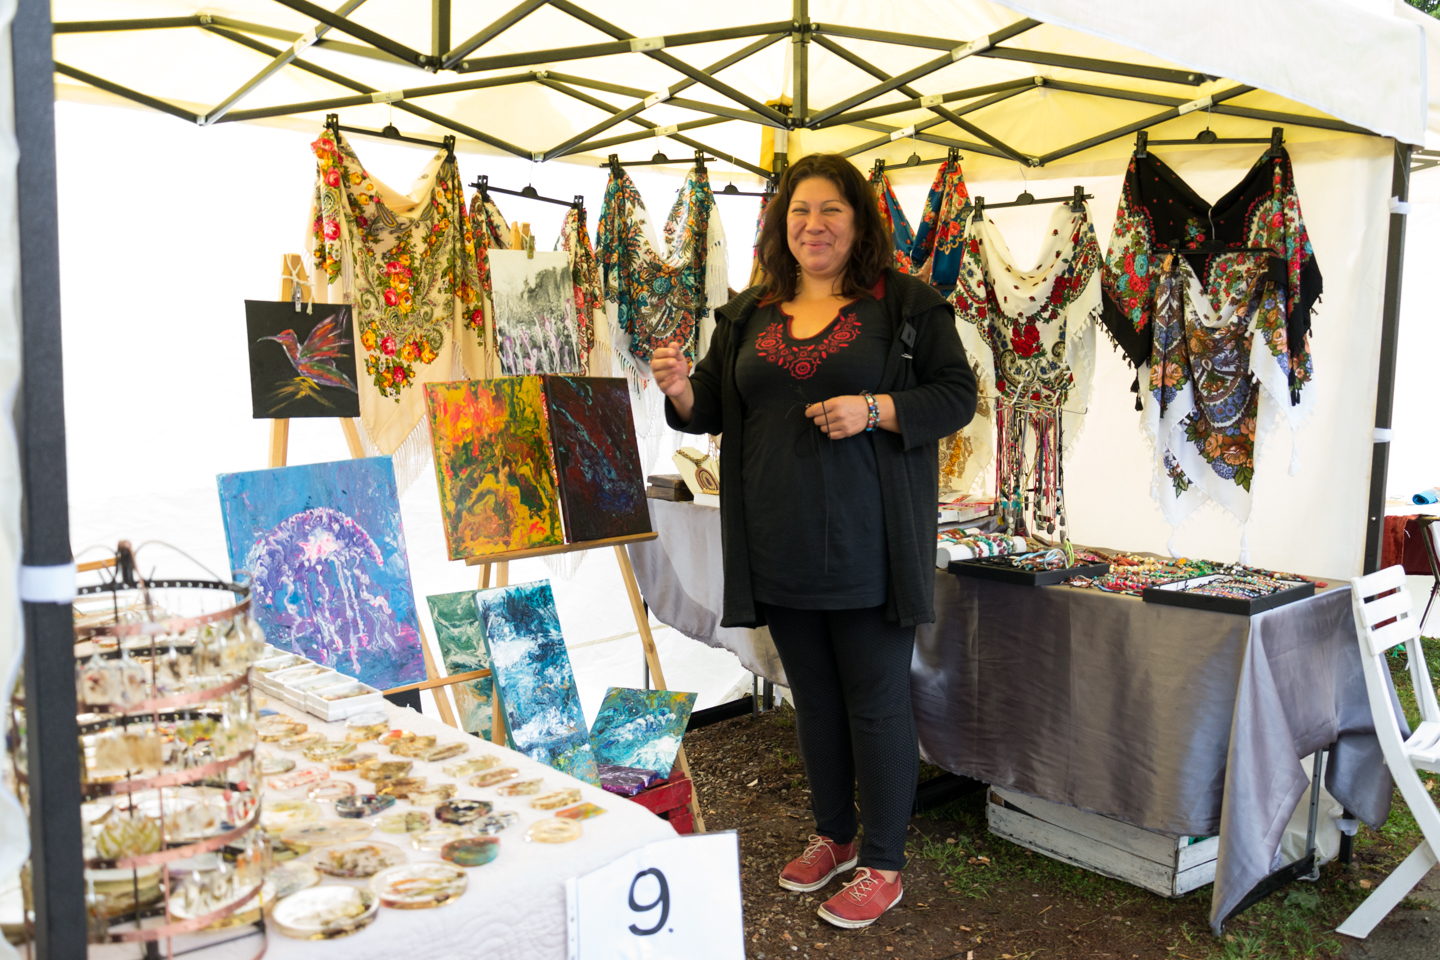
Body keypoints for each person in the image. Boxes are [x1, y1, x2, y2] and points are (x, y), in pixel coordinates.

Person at [653, 153, 977, 929]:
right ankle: (835, 836)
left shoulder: (905, 304)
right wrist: (681, 390)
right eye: (800, 210)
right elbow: (712, 406)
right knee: (815, 699)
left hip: (869, 544)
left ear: (859, 220)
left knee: (875, 700)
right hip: (777, 539)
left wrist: (875, 409)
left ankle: (885, 864)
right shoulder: (750, 313)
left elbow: (956, 395)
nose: (814, 224)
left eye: (831, 209)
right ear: (781, 225)